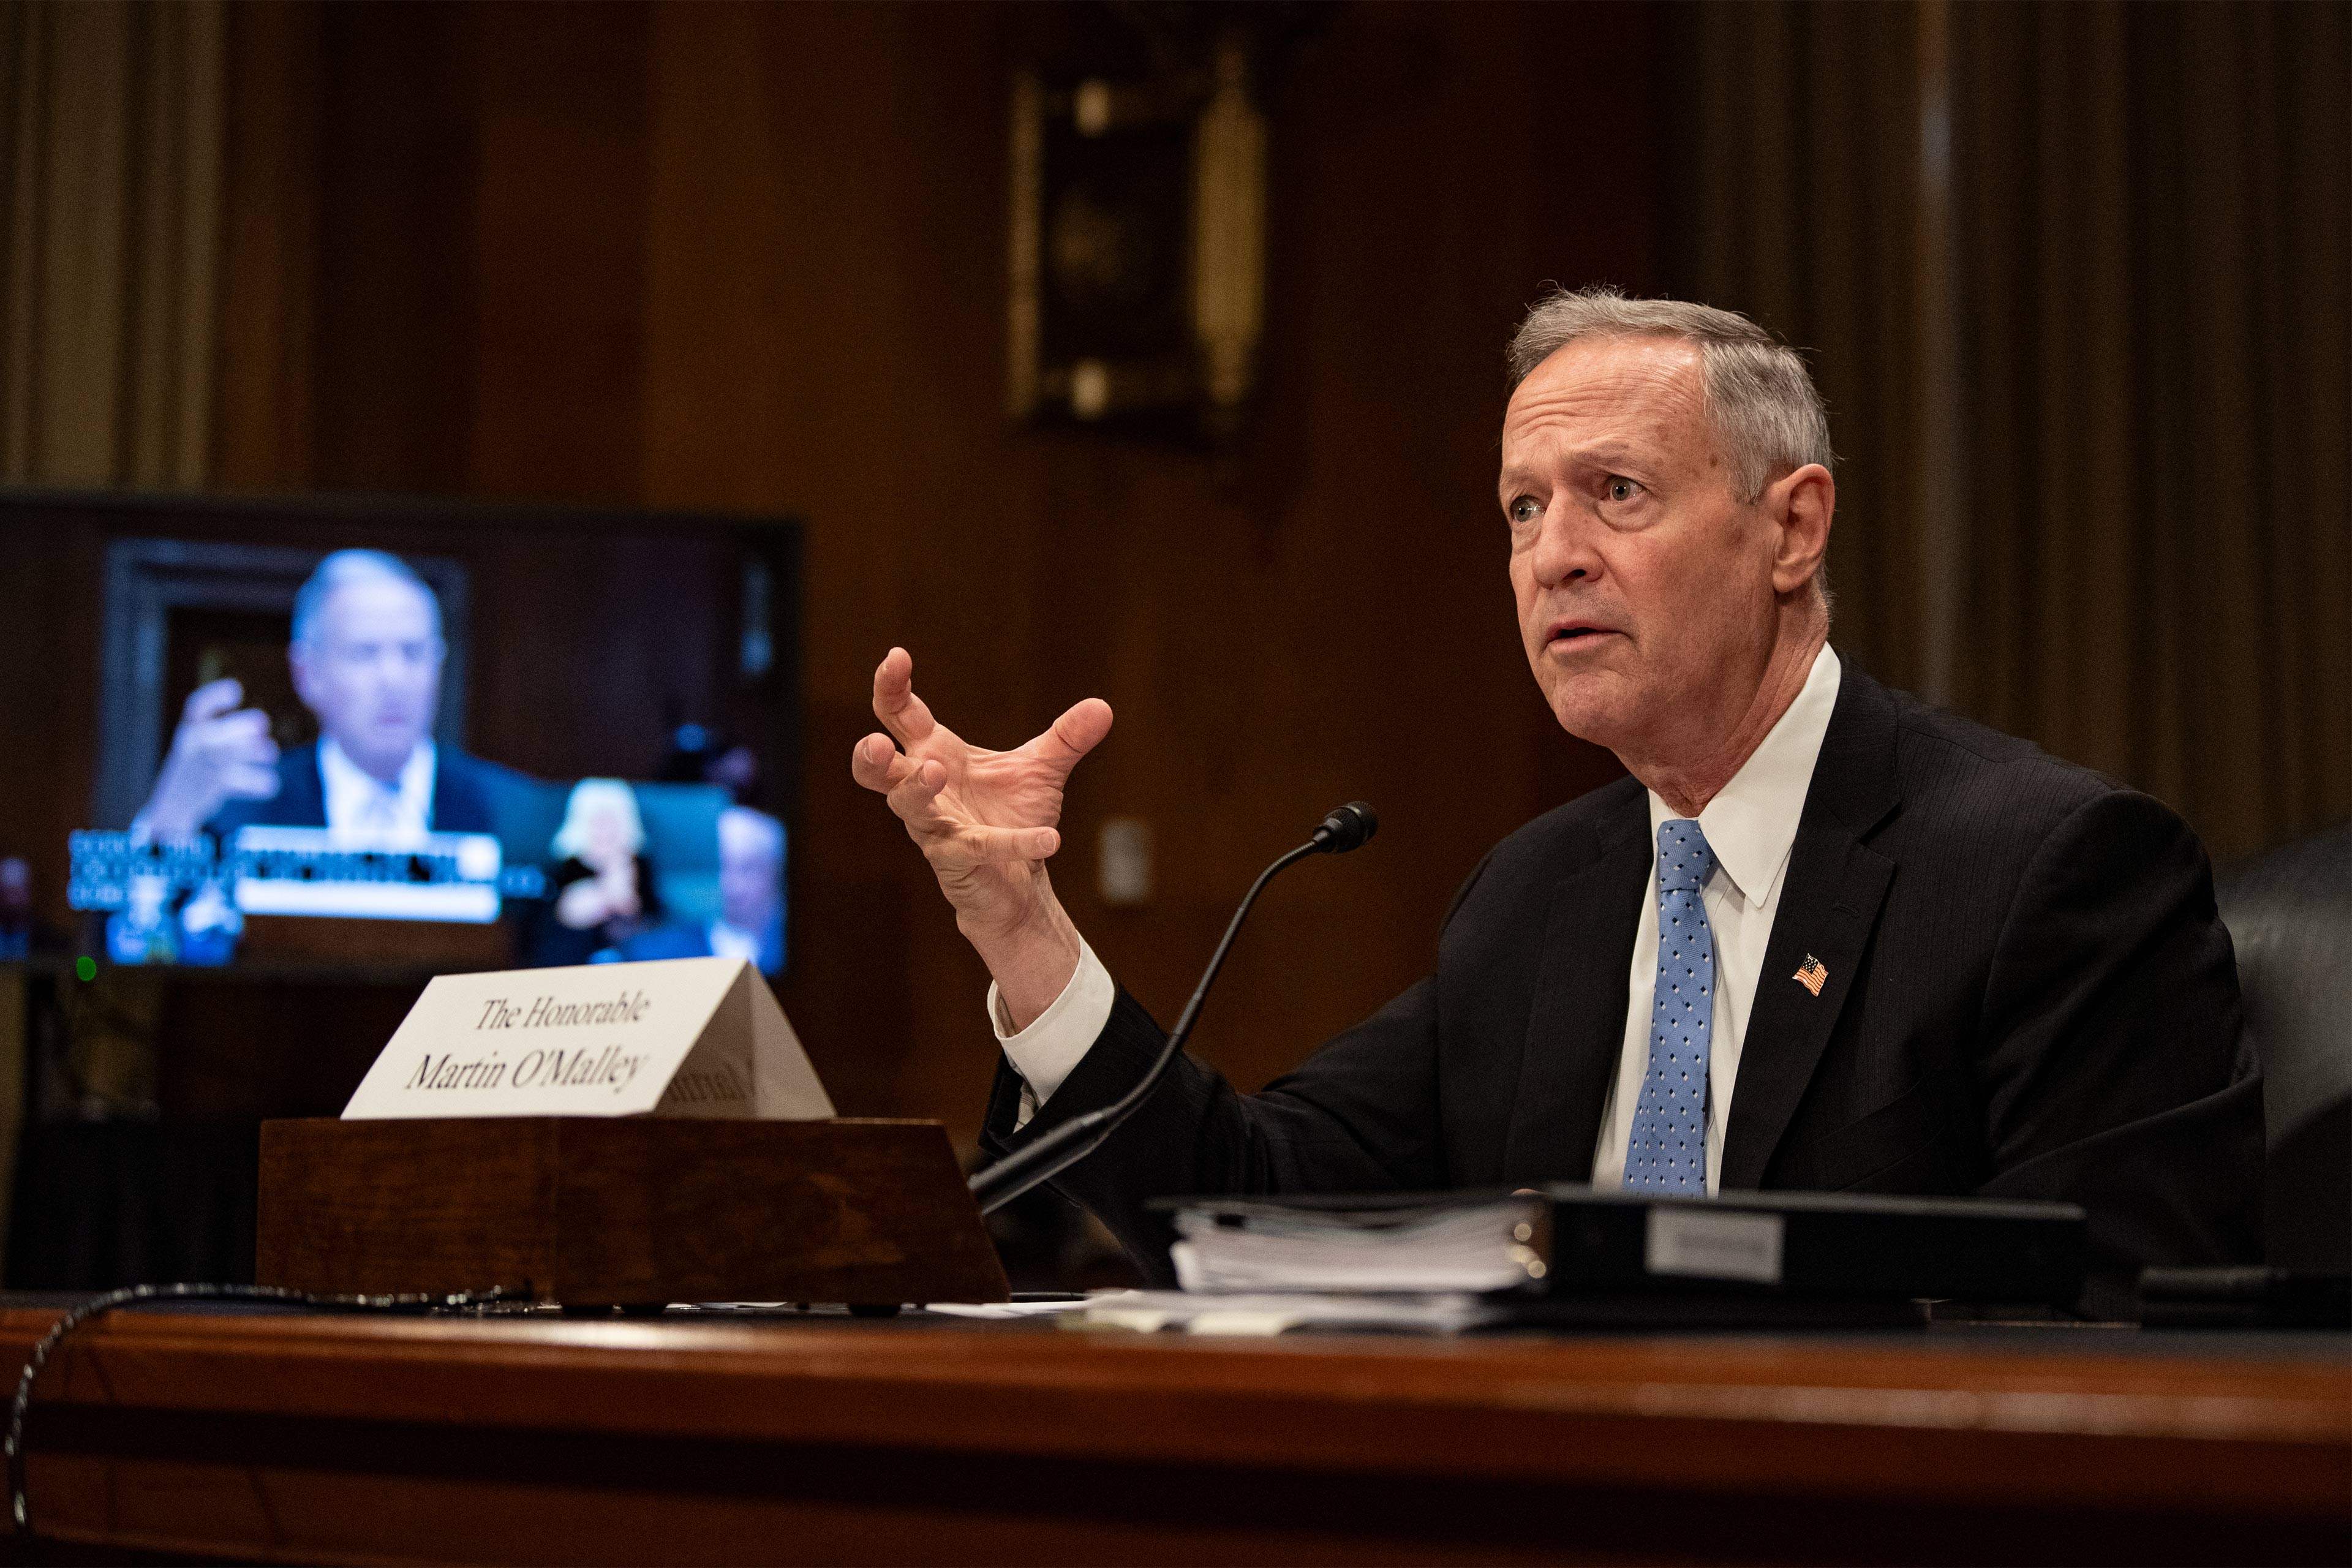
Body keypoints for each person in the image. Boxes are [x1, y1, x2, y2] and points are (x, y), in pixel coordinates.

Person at [851, 286, 2261, 1316]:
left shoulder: (2046, 871)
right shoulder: (1544, 895)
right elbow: (1250, 1206)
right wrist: (1020, 924)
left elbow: (2111, 1331)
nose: (1552, 557)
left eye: (1615, 492)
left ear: (1792, 526)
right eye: (1522, 509)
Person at [134, 549, 505, 844]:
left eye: (412, 652)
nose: (394, 679)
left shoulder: (514, 814)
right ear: (307, 675)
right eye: (365, 653)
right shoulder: (239, 814)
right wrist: (170, 817)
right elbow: (125, 936)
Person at [620, 805, 787, 974]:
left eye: (748, 868)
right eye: (723, 867)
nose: (733, 884)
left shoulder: (802, 947)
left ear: (774, 872)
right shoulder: (652, 957)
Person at [534, 779, 663, 968]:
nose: (607, 831)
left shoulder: (641, 867)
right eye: (598, 822)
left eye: (613, 822)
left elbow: (652, 920)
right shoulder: (563, 869)